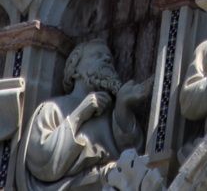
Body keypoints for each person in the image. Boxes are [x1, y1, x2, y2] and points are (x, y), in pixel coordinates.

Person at [16, 39, 150, 190]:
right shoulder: (52, 108)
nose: (106, 60)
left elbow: (134, 154)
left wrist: (122, 107)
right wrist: (81, 113)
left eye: (109, 59)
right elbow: (43, 163)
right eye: (98, 55)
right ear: (75, 68)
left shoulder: (110, 115)